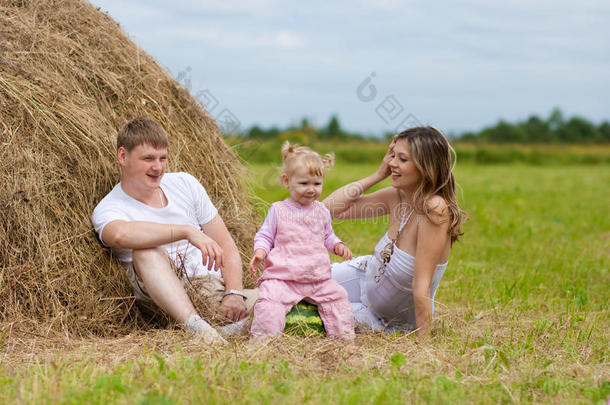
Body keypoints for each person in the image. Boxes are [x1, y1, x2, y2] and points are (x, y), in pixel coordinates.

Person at [91, 117, 257, 344]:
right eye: (148, 158)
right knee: (145, 251)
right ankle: (199, 329)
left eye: (162, 158)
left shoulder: (185, 184)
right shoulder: (110, 207)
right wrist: (186, 231)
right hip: (162, 298)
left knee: (284, 299)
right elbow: (119, 234)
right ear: (122, 156)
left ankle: (227, 329)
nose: (157, 167)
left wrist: (235, 293)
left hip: (210, 289)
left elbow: (226, 246)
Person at [324, 126, 466, 338]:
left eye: (402, 159)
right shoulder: (399, 196)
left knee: (321, 312)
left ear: (425, 166)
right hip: (364, 279)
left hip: (385, 318)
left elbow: (421, 286)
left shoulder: (434, 210)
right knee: (298, 281)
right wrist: (377, 175)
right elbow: (329, 209)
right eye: (392, 156)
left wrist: (425, 346)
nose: (392, 163)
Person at [248, 141, 355, 341]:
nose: (311, 190)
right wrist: (260, 252)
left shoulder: (322, 211)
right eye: (304, 184)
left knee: (338, 298)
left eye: (317, 184)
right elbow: (265, 235)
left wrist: (337, 245)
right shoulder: (278, 210)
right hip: (284, 278)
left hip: (317, 278)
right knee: (269, 302)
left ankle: (343, 339)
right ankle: (263, 341)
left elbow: (328, 236)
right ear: (287, 181)